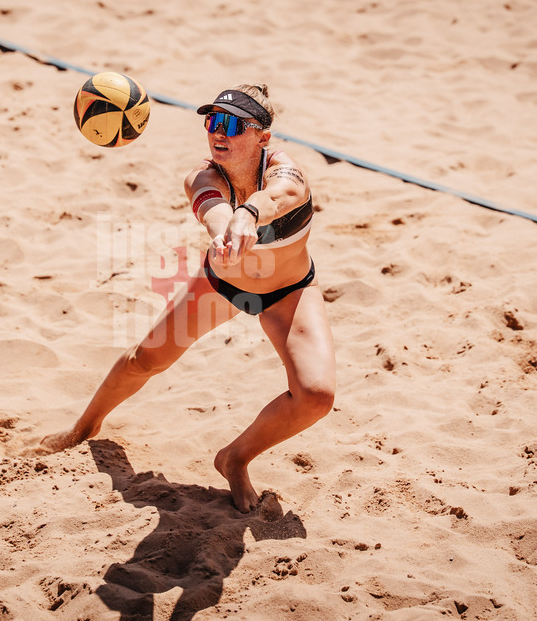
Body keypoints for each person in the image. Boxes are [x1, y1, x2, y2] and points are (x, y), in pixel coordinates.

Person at [41, 84, 336, 513]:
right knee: (146, 360)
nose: (220, 132)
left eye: (234, 125)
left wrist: (249, 215)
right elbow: (213, 210)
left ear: (263, 137)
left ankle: (234, 459)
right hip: (223, 284)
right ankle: (84, 427)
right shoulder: (202, 176)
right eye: (213, 121)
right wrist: (226, 229)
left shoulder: (286, 174)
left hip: (288, 292)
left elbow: (278, 197)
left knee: (316, 396)